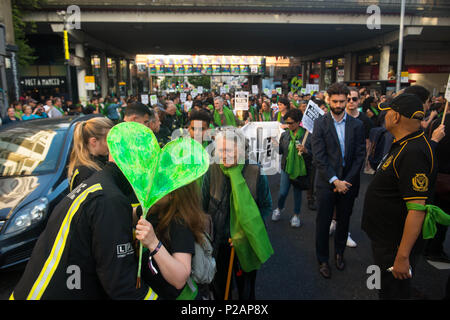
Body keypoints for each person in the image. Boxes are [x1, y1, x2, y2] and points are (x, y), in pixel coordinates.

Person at [10, 150, 159, 300]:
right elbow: (121, 283)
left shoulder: (97, 184)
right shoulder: (110, 199)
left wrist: (145, 210)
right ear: (138, 167)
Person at [361, 93, 437, 300]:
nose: (383, 116)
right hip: (384, 239)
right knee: (382, 284)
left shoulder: (413, 151)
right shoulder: (406, 143)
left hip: (393, 245)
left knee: (394, 291)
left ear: (395, 117)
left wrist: (403, 257)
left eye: (387, 112)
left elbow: (417, 209)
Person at [202, 127, 273, 300]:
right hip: (218, 242)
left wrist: (244, 233)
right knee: (219, 287)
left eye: (228, 150)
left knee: (246, 290)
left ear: (241, 149)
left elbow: (266, 206)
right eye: (219, 150)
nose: (223, 155)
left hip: (246, 241)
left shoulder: (255, 171)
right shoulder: (211, 170)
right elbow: (202, 207)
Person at [311, 82, 366, 279]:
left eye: (343, 101)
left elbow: (360, 155)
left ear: (348, 101)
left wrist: (346, 181)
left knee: (344, 221)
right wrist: (335, 180)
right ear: (328, 100)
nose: (339, 104)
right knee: (323, 223)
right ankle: (323, 259)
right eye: (335, 101)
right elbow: (319, 157)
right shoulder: (320, 123)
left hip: (348, 184)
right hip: (326, 183)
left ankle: (339, 254)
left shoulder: (358, 125)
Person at [137, 182, 209, 300]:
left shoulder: (180, 223)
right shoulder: (152, 210)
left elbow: (179, 278)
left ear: (173, 194)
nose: (150, 188)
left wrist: (153, 243)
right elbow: (128, 212)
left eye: (158, 185)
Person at [272, 108, 311, 227]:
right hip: (286, 168)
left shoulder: (307, 135)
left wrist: (306, 151)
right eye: (287, 122)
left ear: (298, 122)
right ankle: (279, 208)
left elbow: (314, 155)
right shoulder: (284, 135)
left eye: (291, 123)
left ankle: (296, 215)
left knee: (297, 193)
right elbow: (280, 151)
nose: (288, 125)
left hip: (300, 169)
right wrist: (275, 145)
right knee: (282, 192)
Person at [68, 117, 114, 192]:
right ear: (94, 142)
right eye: (109, 140)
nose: (112, 144)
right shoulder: (86, 172)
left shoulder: (96, 161)